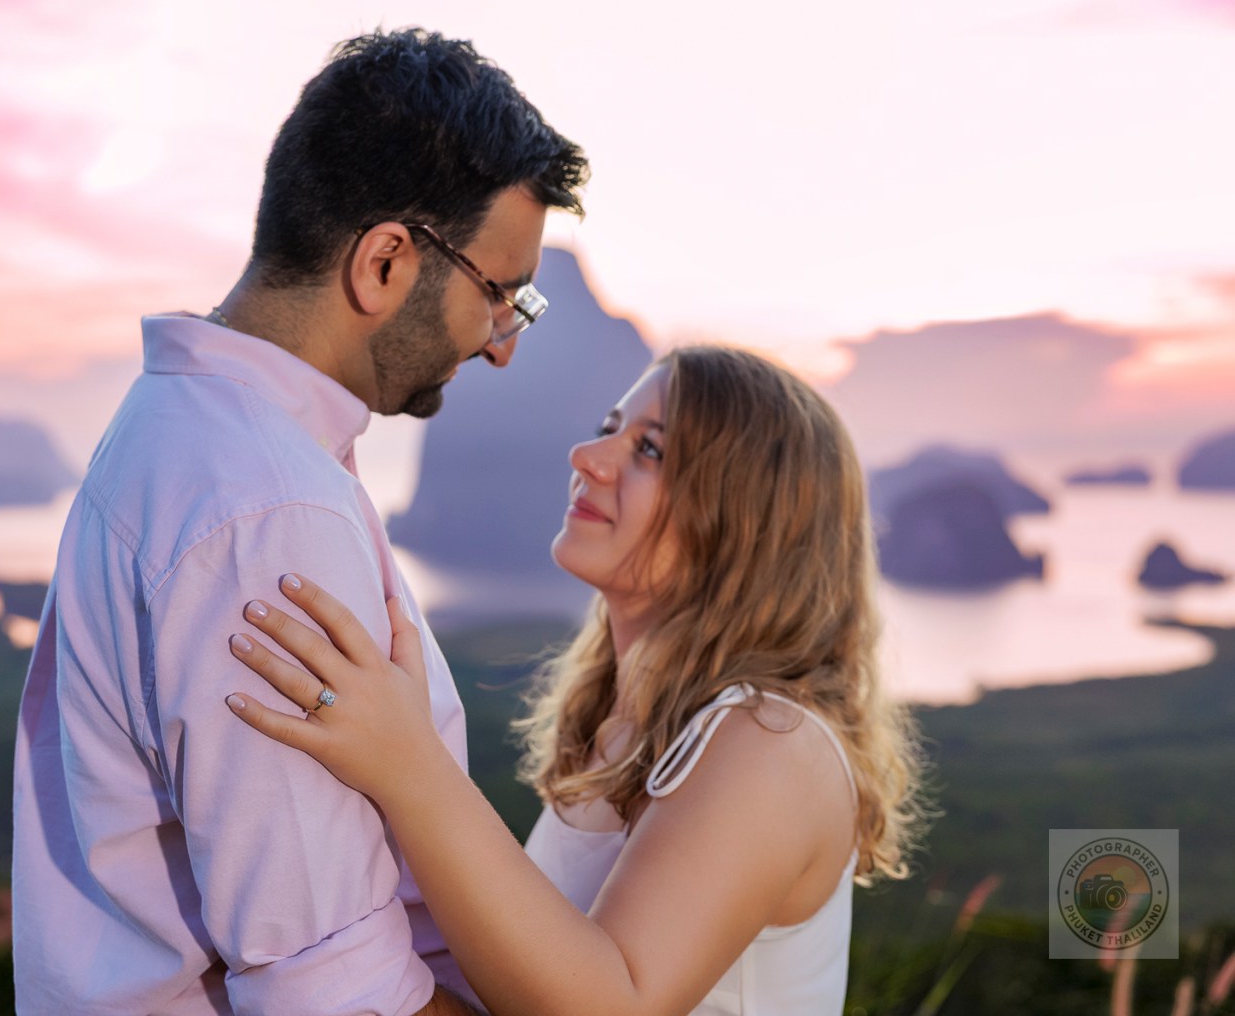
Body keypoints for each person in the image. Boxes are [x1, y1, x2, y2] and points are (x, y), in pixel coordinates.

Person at [10, 29, 587, 1015]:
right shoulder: (265, 513)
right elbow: (334, 991)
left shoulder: (194, 434)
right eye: (498, 294)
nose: (501, 345)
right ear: (387, 263)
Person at [225, 346, 928, 1015]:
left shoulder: (771, 741)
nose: (586, 457)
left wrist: (408, 763)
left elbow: (611, 1004)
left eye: (649, 450)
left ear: (748, 523)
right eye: (609, 429)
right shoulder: (628, 730)